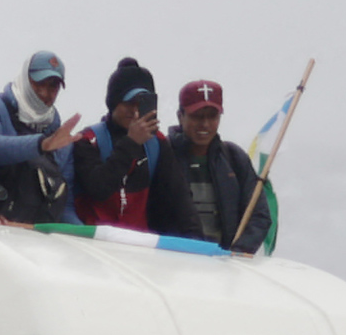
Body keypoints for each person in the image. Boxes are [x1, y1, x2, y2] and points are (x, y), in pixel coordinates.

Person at [70, 59, 201, 237]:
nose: (135, 111)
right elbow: (99, 189)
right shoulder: (88, 140)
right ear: (114, 103)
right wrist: (131, 143)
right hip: (94, 241)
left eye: (141, 103)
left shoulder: (157, 143)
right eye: (129, 103)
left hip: (138, 247)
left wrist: (198, 243)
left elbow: (180, 198)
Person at [0, 52, 81, 225]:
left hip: (31, 239)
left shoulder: (63, 140)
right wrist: (41, 144)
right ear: (24, 78)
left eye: (53, 86)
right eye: (38, 83)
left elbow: (66, 207)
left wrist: (86, 237)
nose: (45, 92)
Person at [170, 81, 271, 254]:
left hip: (224, 266)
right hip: (172, 263)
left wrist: (239, 252)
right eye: (197, 116)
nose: (205, 124)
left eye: (212, 116)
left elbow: (259, 214)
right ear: (180, 116)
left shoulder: (235, 158)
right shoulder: (163, 155)